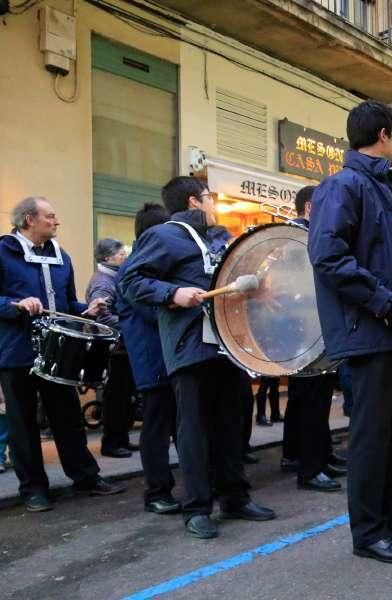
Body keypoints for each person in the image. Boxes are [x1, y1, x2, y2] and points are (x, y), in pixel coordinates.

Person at [309, 100, 392, 564]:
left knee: (390, 435)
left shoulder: (381, 189)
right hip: (368, 329)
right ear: (383, 134)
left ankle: (388, 523)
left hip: (391, 329)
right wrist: (384, 302)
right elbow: (328, 257)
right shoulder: (343, 186)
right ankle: (369, 533)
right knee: (370, 437)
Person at [120, 177, 275, 539]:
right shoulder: (162, 237)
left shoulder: (216, 238)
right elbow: (129, 282)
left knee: (233, 424)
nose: (213, 204)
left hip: (228, 344)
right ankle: (197, 507)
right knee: (193, 431)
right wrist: (173, 292)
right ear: (194, 201)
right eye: (209, 198)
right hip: (190, 348)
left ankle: (234, 496)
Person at [0, 196, 123, 512]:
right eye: (50, 216)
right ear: (30, 220)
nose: (57, 222)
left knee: (68, 419)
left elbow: (68, 305)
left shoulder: (62, 257)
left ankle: (85, 477)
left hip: (59, 353)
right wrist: (14, 306)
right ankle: (33, 489)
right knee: (22, 424)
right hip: (17, 352)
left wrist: (88, 310)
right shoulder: (3, 252)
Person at [115, 203, 181, 515]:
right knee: (156, 429)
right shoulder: (134, 270)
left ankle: (188, 483)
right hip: (153, 362)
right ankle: (156, 491)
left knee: (179, 425)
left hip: (168, 360)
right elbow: (156, 316)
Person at [282, 185, 346, 493]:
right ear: (310, 208)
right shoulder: (293, 238)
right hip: (303, 331)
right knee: (310, 401)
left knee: (315, 399)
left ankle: (319, 455)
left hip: (315, 329)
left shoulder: (308, 235)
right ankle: (310, 467)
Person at [86, 238, 138, 459]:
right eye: (120, 254)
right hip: (114, 350)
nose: (124, 257)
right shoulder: (104, 282)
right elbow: (103, 317)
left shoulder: (112, 277)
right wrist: (131, 324)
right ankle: (112, 443)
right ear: (107, 258)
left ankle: (121, 440)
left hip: (121, 348)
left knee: (124, 397)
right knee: (116, 398)